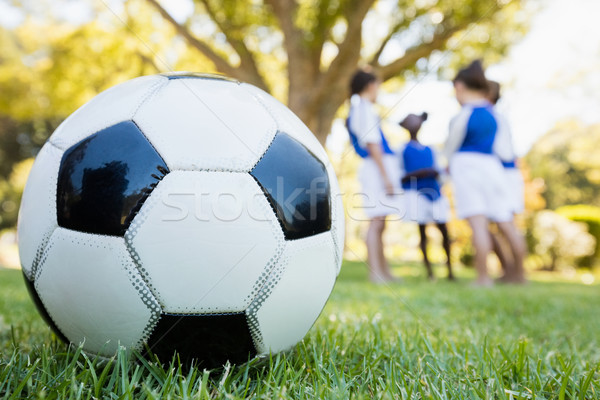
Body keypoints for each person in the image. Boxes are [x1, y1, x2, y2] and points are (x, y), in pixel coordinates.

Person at [444, 60, 525, 286]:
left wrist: (445, 171)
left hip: (467, 167)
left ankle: (483, 278)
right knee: (507, 223)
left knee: (478, 225)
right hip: (494, 168)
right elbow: (504, 150)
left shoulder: (462, 116)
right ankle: (520, 276)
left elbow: (450, 148)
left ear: (460, 87)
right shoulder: (494, 116)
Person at [346, 69, 399, 283]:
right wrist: (386, 177)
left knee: (381, 222)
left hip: (377, 167)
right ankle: (375, 272)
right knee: (376, 221)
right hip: (375, 167)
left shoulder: (361, 108)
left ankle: (384, 271)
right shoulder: (363, 109)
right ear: (370, 86)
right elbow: (373, 144)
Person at [398, 112, 454, 281]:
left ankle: (450, 271)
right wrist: (423, 173)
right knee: (422, 232)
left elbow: (440, 172)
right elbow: (400, 176)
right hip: (417, 195)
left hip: (435, 193)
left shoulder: (431, 149)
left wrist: (436, 174)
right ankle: (430, 272)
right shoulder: (402, 150)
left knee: (444, 231)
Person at [487, 80, 527, 282]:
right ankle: (509, 271)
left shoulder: (494, 117)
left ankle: (519, 274)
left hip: (504, 173)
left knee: (506, 224)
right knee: (496, 224)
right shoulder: (495, 116)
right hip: (504, 174)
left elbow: (502, 151)